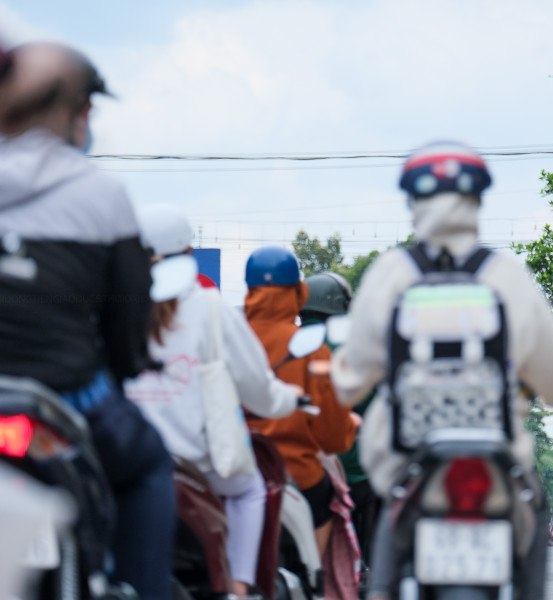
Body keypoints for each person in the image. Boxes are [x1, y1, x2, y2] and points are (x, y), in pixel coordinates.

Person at [330, 140, 553, 600]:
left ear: (413, 202)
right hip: (497, 467)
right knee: (535, 507)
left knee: (388, 524)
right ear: (476, 201)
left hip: (406, 464)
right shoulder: (507, 276)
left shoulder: (390, 274)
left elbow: (348, 384)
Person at [0, 42, 174, 600]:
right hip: (68, 401)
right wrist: (127, 366)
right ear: (73, 110)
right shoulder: (101, 192)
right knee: (149, 467)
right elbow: (129, 319)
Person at [125, 205, 304, 598]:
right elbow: (259, 388)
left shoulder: (116, 307)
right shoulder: (210, 307)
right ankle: (236, 588)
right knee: (250, 488)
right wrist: (287, 401)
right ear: (188, 255)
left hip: (128, 457)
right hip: (196, 462)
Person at [242, 248, 360, 560]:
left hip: (233, 470)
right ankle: (315, 573)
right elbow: (333, 437)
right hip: (295, 473)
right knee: (329, 497)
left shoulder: (230, 340)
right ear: (297, 291)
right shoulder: (313, 350)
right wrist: (349, 429)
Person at [302, 272, 381, 580]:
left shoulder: (290, 340)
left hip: (298, 464)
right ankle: (371, 564)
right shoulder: (353, 346)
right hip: (353, 471)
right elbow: (372, 401)